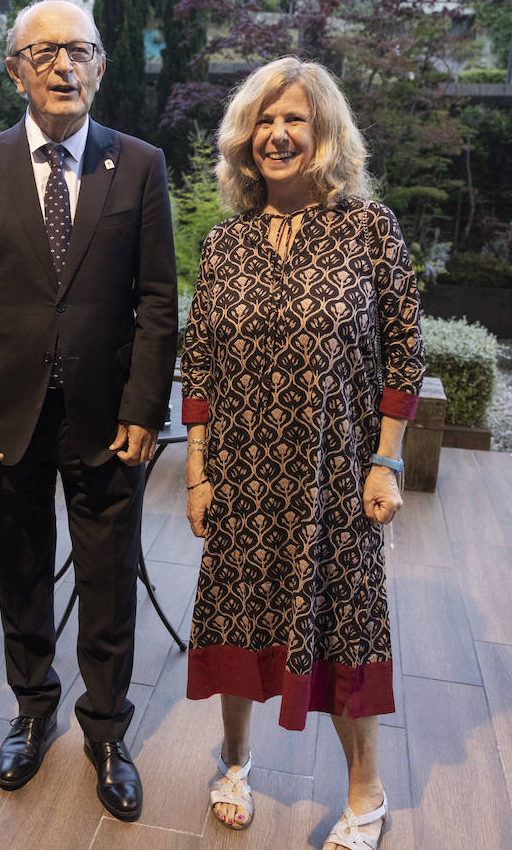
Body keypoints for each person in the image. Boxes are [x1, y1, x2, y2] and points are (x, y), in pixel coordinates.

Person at [0, 0, 177, 823]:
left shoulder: (140, 166)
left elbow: (155, 301)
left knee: (109, 578)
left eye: (79, 51)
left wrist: (148, 405)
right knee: (21, 571)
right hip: (6, 415)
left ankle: (107, 731)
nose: (63, 66)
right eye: (43, 53)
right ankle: (32, 707)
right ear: (15, 71)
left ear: (102, 65)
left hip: (110, 417)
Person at [181, 56, 424, 849]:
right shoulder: (224, 246)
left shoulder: (370, 228)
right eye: (263, 120)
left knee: (348, 627)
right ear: (244, 139)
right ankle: (236, 759)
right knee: (239, 614)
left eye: (294, 119)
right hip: (243, 477)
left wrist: (386, 461)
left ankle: (367, 793)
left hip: (336, 475)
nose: (277, 134)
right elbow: (201, 369)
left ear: (324, 133)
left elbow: (405, 358)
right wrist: (197, 471)